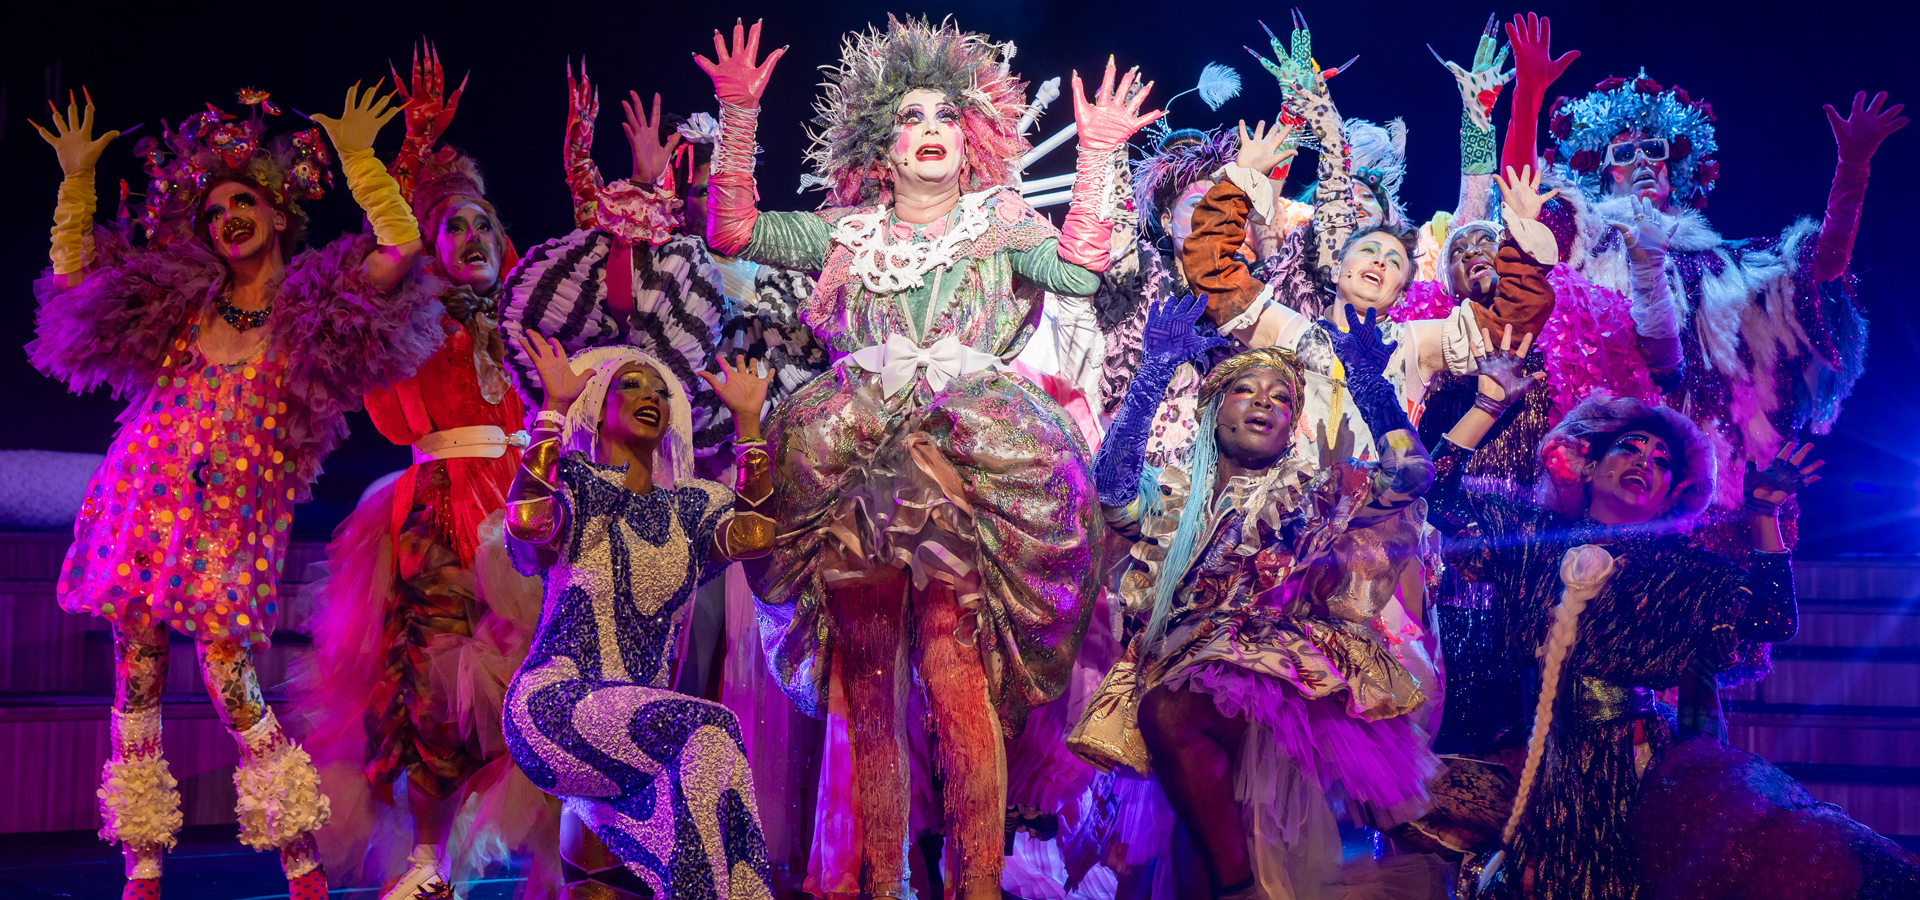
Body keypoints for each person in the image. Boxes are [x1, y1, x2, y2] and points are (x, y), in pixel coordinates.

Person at [691, 15, 1161, 894]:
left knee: (954, 672)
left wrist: (1097, 153)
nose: (931, 129)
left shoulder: (1000, 222)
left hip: (969, 454)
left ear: (974, 137)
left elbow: (1080, 274)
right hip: (854, 457)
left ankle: (975, 880)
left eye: (948, 115)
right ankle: (881, 879)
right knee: (868, 684)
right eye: (911, 117)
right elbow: (733, 232)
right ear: (883, 142)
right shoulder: (848, 231)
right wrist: (739, 113)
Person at [29, 84, 440, 900]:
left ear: (280, 213)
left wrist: (360, 160)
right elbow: (75, 283)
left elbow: (398, 255)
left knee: (231, 684)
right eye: (214, 212)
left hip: (231, 522)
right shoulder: (181, 300)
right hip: (142, 502)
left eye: (243, 201)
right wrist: (77, 182)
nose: (227, 220)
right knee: (136, 672)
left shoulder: (313, 306)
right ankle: (140, 867)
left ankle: (298, 856)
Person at [289, 46, 559, 899]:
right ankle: (426, 861)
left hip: (528, 503)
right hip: (439, 505)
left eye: (485, 223)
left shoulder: (533, 319)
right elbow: (376, 290)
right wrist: (381, 177)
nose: (473, 237)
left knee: (541, 679)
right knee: (433, 687)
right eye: (455, 226)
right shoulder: (409, 319)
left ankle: (552, 856)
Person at [1425, 329, 1816, 898]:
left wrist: (1763, 517)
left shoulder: (1680, 571)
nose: (1646, 462)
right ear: (1585, 464)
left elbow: (1774, 619)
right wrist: (1487, 405)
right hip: (1532, 756)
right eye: (1630, 447)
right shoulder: (1530, 539)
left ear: (1668, 496)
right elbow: (1430, 493)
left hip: (1629, 767)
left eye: (1661, 462)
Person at [1082, 295, 1441, 900]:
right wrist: (1151, 372)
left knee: (1172, 718)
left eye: (1281, 398)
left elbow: (1408, 476)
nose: (1264, 403)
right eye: (1247, 391)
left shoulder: (1319, 492)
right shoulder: (1173, 497)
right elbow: (1113, 491)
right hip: (1183, 669)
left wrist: (1372, 387)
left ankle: (1240, 892)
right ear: (1213, 414)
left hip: (1287, 687)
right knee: (1189, 857)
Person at [501, 336, 776, 898]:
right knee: (710, 726)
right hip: (554, 707)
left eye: (660, 390)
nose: (649, 395)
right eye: (630, 384)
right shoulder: (575, 484)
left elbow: (754, 537)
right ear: (598, 407)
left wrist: (749, 426)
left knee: (609, 882)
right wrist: (552, 410)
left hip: (640, 736)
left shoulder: (693, 508)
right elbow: (527, 525)